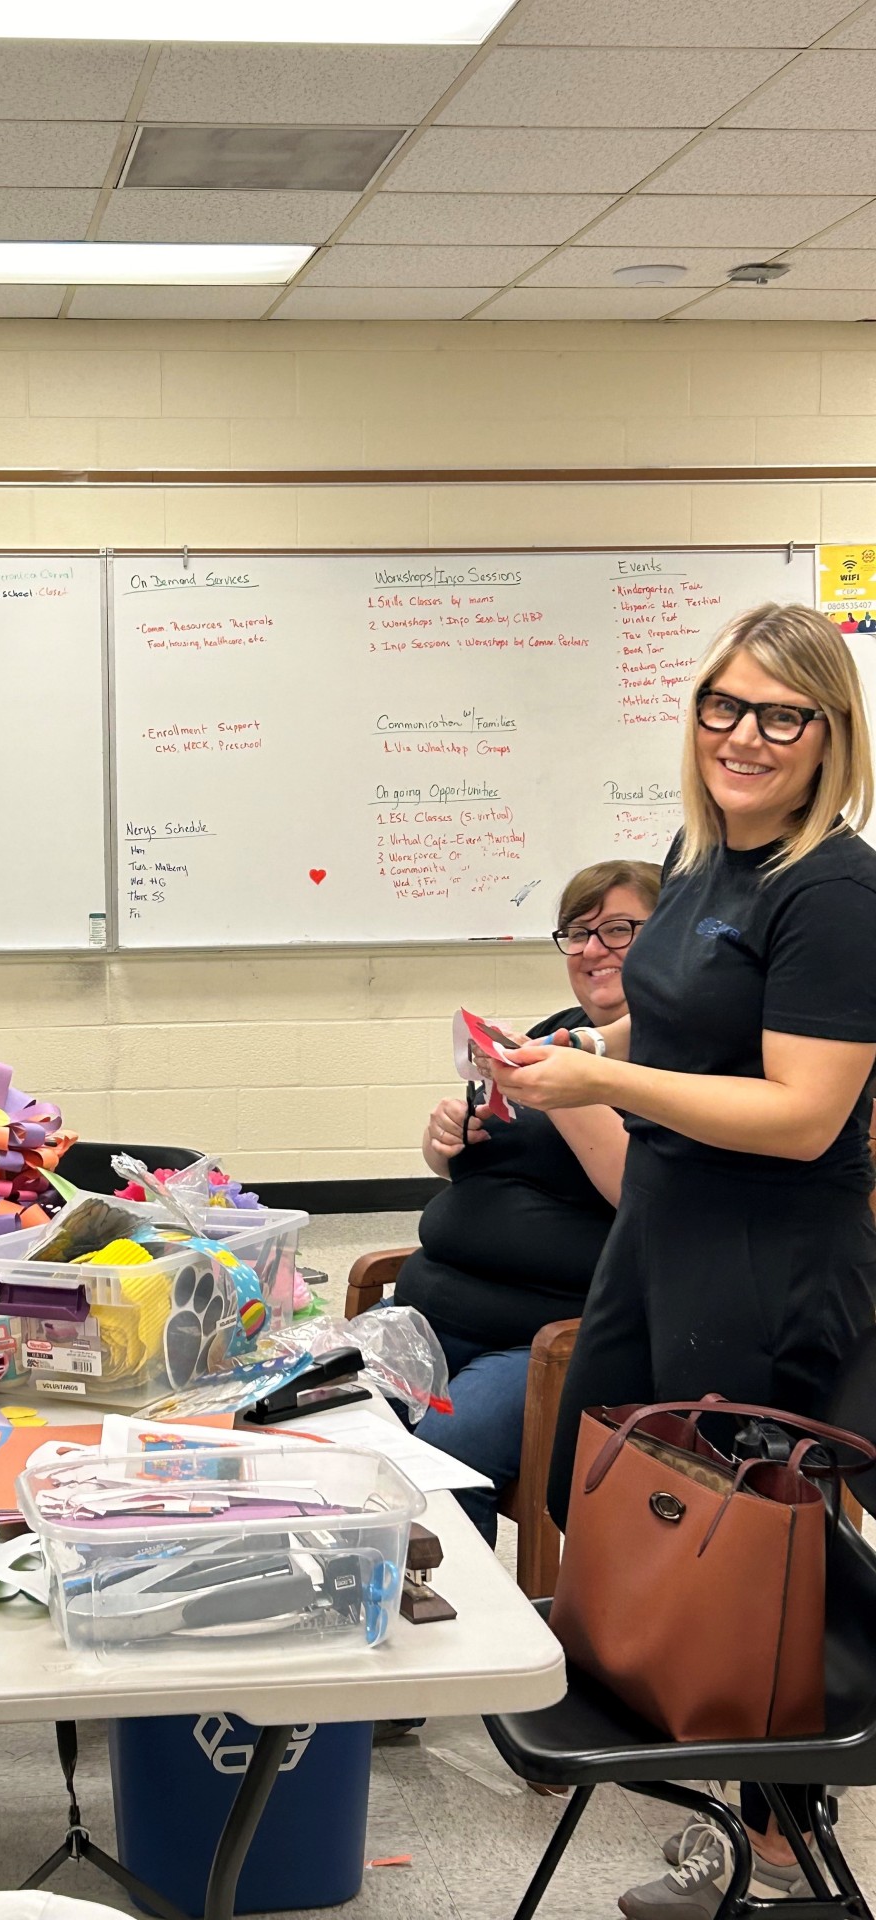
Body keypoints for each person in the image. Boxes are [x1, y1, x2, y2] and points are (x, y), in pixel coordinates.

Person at [489, 603, 876, 1920]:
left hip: (763, 1260)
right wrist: (582, 1073)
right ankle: (714, 1812)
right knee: (609, 1505)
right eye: (725, 704)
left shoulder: (836, 888)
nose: (744, 735)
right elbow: (673, 1054)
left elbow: (806, 1113)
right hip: (662, 1234)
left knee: (746, 1562)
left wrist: (608, 1079)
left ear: (830, 736)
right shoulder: (699, 856)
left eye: (781, 714)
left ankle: (779, 1861)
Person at [389, 859, 660, 1543]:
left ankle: (458, 1639)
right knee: (313, 1410)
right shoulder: (559, 1031)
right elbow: (478, 1174)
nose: (593, 950)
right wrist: (446, 1139)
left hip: (555, 1340)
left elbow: (639, 1194)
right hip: (438, 1308)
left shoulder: (684, 1060)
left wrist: (562, 1086)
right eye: (578, 932)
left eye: (619, 930)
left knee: (442, 1457)